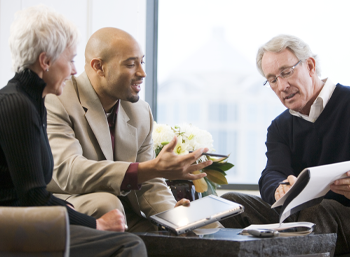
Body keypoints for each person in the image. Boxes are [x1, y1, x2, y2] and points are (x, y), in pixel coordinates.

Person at [0, 5, 147, 256]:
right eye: (70, 60)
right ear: (45, 61)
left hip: (23, 219)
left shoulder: (32, 101)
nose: (75, 70)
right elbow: (32, 197)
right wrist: (95, 223)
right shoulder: (16, 105)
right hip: (13, 226)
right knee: (129, 245)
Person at [45, 27, 215, 232]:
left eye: (141, 62)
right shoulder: (57, 100)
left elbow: (150, 183)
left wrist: (173, 214)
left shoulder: (140, 112)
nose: (142, 73)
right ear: (99, 66)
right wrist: (149, 169)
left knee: (201, 224)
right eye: (131, 64)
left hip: (126, 213)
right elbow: (67, 171)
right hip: (72, 203)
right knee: (108, 204)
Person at [220, 34, 350, 255]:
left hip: (343, 214)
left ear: (310, 65)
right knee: (229, 205)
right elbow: (273, 172)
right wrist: (280, 189)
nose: (282, 86)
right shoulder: (280, 126)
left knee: (314, 211)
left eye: (286, 72)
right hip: (299, 212)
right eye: (272, 79)